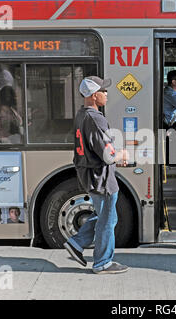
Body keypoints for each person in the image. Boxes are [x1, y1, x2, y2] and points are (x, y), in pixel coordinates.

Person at [64, 76, 129, 274]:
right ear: (94, 95)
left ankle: (76, 243)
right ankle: (102, 262)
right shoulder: (96, 118)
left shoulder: (81, 115)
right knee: (107, 220)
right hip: (101, 178)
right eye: (104, 91)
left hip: (90, 175)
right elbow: (108, 155)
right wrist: (122, 154)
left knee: (106, 216)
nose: (107, 94)